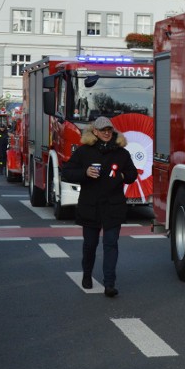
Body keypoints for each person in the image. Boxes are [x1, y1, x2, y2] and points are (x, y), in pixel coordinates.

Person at [61, 117, 138, 298]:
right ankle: (87, 275)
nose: (106, 133)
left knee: (111, 244)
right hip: (90, 205)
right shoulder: (84, 152)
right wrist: (84, 173)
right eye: (102, 130)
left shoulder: (121, 153)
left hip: (113, 206)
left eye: (109, 130)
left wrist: (122, 176)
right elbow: (67, 172)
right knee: (90, 245)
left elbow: (132, 174)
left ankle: (109, 284)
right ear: (94, 131)